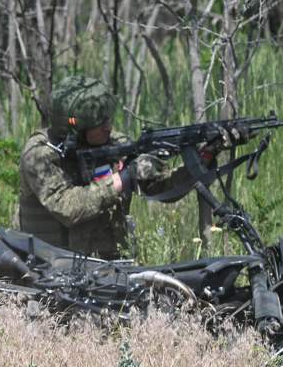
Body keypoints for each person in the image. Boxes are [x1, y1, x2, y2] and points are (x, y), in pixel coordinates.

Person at [18, 75, 242, 259]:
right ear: (76, 129)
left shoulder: (116, 144)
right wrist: (124, 178)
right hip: (50, 264)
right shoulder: (40, 154)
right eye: (100, 123)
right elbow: (68, 207)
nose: (109, 126)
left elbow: (163, 189)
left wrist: (206, 154)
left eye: (108, 119)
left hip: (111, 262)